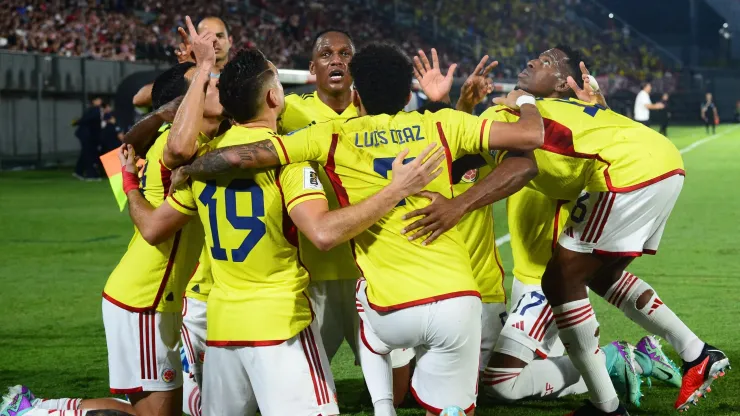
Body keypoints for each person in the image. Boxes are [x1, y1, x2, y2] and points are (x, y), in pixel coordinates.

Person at [170, 42, 545, 416]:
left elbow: (241, 155)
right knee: (449, 405)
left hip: (380, 303)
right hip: (457, 296)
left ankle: (383, 408)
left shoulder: (330, 135)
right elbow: (530, 141)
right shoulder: (441, 123)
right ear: (409, 92)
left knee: (367, 314)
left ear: (356, 92)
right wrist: (524, 99)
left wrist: (190, 167)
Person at [117, 47, 446, 416]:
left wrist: (130, 181)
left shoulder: (203, 162)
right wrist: (394, 191)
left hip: (223, 325)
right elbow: (321, 233)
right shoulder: (287, 159)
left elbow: (153, 226)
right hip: (280, 321)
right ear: (274, 97)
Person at [403, 45, 730, 415]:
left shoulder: (524, 114)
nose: (529, 62)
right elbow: (460, 157)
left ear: (564, 82)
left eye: (544, 62)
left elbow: (514, 166)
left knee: (559, 282)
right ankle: (694, 354)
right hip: (656, 163)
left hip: (618, 180)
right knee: (601, 275)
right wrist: (449, 105)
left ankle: (609, 401)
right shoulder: (565, 112)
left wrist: (458, 203)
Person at [387, 52, 536, 407]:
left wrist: (461, 105)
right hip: (418, 293)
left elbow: (520, 163)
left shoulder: (478, 145)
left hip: (478, 292)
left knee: (495, 387)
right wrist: (454, 103)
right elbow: (445, 134)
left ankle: (608, 361)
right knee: (402, 396)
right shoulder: (403, 153)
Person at [279, 29, 363, 369]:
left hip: (367, 269)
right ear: (313, 68)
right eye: (327, 54)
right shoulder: (289, 111)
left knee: (396, 386)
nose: (337, 60)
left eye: (345, 53)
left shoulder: (375, 109)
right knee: (304, 382)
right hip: (315, 269)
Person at [132, 16, 232, 108]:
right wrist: (186, 71)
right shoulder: (186, 74)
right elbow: (139, 100)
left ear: (230, 41)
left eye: (219, 36)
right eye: (206, 37)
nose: (214, 41)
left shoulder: (241, 77)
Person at [73, 96, 103, 181]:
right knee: (89, 154)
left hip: (87, 135)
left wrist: (77, 122)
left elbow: (84, 120)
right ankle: (90, 174)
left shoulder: (91, 110)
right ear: (94, 101)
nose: (100, 101)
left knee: (85, 153)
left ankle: (78, 171)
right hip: (88, 135)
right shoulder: (95, 110)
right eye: (98, 100)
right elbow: (88, 120)